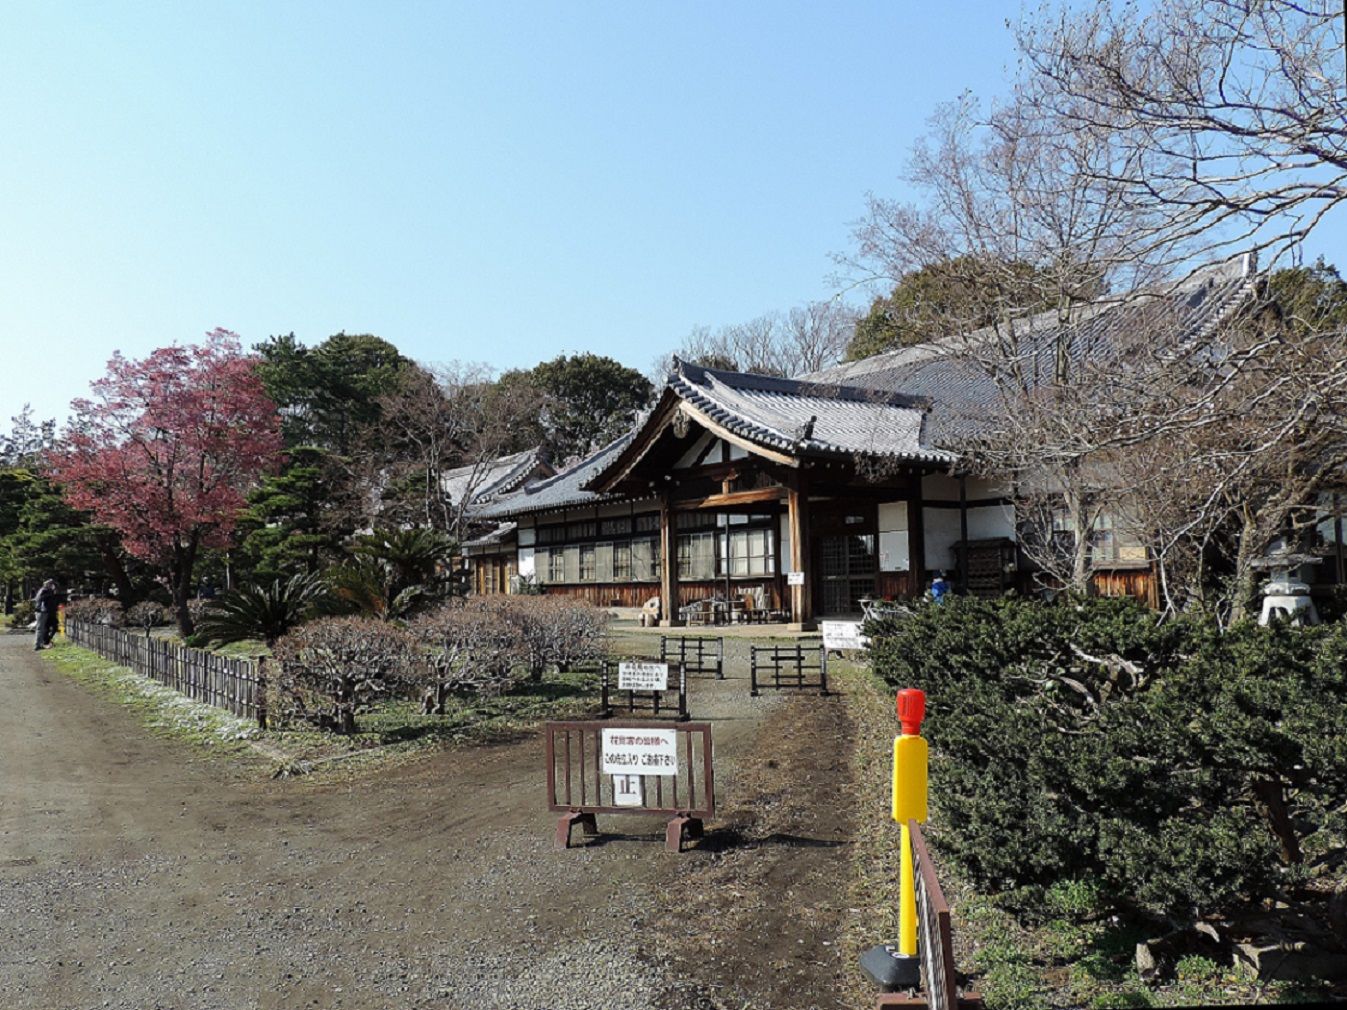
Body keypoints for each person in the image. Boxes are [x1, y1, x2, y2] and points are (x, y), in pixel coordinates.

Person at [33, 580, 58, 651]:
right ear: (48, 585)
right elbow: (42, 599)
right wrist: (52, 592)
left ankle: (39, 644)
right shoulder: (45, 591)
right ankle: (37, 645)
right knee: (40, 629)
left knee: (41, 629)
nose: (52, 586)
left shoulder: (42, 590)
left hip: (40, 611)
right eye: (51, 584)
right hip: (42, 611)